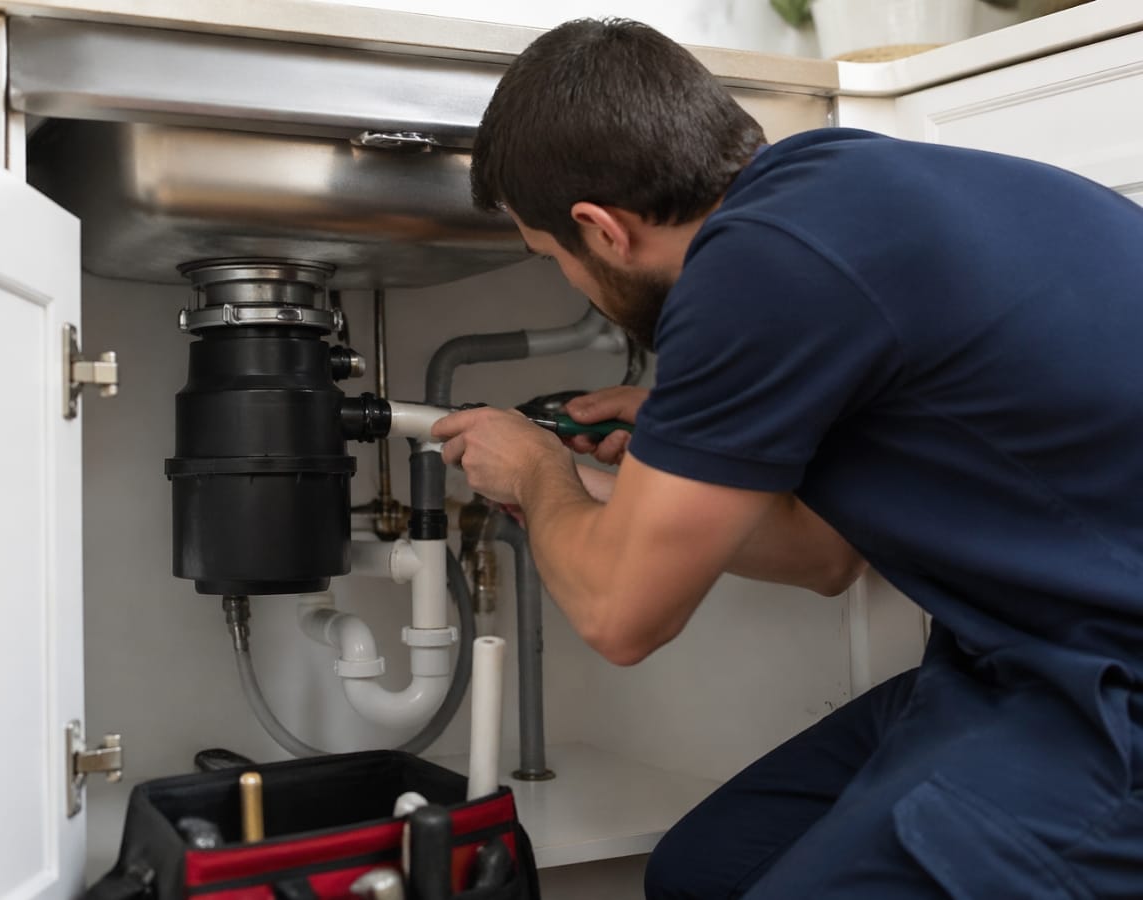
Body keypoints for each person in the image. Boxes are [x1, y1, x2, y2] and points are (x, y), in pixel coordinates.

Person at [432, 17, 1143, 899]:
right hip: (1025, 662)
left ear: (600, 229)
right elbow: (824, 557)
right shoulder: (828, 192)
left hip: (1110, 700)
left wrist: (535, 472)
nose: (570, 283)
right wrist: (678, 460)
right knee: (703, 872)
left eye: (553, 259)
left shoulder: (757, 265)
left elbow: (622, 618)